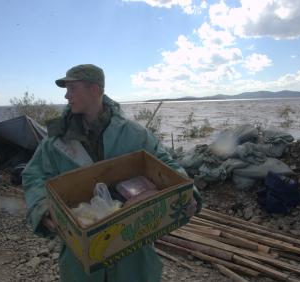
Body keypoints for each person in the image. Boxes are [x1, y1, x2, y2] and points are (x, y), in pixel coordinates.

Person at [22, 64, 202, 282]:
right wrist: (43, 207)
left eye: (73, 88)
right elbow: (34, 175)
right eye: (66, 89)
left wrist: (187, 191)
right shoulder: (56, 141)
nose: (66, 95)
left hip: (133, 240)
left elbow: (165, 163)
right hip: (81, 250)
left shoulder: (134, 133)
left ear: (95, 90)